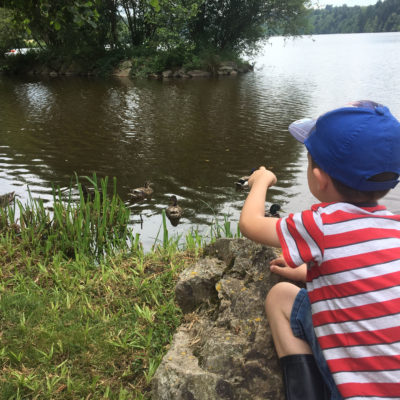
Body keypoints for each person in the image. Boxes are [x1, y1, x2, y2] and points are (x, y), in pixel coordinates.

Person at [239, 100, 400, 400]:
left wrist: (260, 182)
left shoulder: (320, 224)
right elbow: (371, 274)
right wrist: (308, 271)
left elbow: (250, 224)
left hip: (354, 394)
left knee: (281, 297)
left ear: (319, 177)